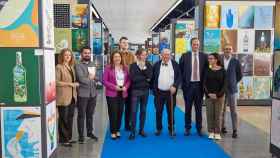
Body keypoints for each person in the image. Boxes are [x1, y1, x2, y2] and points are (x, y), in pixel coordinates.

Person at [179, 37, 208, 136]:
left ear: (199, 45)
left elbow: (206, 72)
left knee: (199, 109)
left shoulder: (204, 56)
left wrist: (205, 86)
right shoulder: (185, 56)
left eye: (197, 44)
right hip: (188, 86)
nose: (196, 46)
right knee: (187, 109)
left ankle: (199, 128)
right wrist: (182, 85)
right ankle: (187, 128)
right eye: (194, 44)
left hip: (199, 87)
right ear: (191, 45)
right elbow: (180, 71)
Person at [152, 48, 181, 137]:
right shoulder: (156, 64)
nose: (166, 56)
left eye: (168, 54)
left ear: (170, 55)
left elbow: (179, 77)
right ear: (161, 55)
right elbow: (153, 78)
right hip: (159, 93)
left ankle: (171, 129)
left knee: (171, 112)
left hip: (170, 93)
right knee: (158, 111)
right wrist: (154, 90)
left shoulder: (175, 64)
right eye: (164, 54)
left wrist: (175, 86)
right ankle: (159, 128)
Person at [103, 51, 130, 140]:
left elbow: (129, 80)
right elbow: (104, 81)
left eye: (118, 56)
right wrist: (114, 87)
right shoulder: (108, 68)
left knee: (120, 112)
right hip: (111, 93)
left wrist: (126, 87)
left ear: (121, 58)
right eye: (115, 57)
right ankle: (113, 131)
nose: (117, 58)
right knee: (113, 113)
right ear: (112, 58)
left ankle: (118, 129)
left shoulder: (125, 68)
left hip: (122, 93)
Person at [75, 46, 98, 143]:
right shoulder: (78, 65)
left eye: (89, 53)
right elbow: (81, 79)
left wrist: (95, 79)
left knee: (90, 115)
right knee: (81, 115)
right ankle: (81, 135)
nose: (87, 54)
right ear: (81, 54)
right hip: (83, 94)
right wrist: (91, 79)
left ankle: (89, 132)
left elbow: (95, 77)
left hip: (93, 94)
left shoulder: (92, 64)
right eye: (85, 53)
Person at [55, 48, 78, 147]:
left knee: (70, 118)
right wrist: (70, 84)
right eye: (66, 55)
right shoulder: (59, 67)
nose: (68, 57)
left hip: (72, 97)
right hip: (63, 97)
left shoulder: (71, 67)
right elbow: (56, 82)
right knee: (63, 119)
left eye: (69, 55)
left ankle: (68, 138)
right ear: (62, 56)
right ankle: (63, 139)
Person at [128, 48, 153, 140]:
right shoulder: (133, 66)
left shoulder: (148, 65)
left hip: (145, 91)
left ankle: (141, 130)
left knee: (143, 111)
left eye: (145, 54)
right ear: (138, 55)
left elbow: (150, 77)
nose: (144, 56)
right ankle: (132, 132)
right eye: (143, 54)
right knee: (134, 112)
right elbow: (133, 78)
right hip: (135, 91)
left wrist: (143, 70)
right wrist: (144, 78)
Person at [221, 44, 242, 138]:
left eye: (229, 49)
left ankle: (235, 130)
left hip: (232, 89)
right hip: (221, 89)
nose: (228, 50)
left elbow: (239, 75)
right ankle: (222, 127)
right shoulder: (219, 60)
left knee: (234, 111)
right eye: (226, 49)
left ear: (232, 50)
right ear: (223, 50)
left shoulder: (235, 61)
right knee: (222, 110)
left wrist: (233, 82)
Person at [204, 53, 227, 140]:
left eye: (211, 58)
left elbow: (225, 85)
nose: (209, 60)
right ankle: (211, 131)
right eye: (209, 59)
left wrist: (218, 95)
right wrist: (208, 94)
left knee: (218, 115)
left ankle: (217, 132)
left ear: (216, 60)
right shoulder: (207, 70)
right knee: (209, 114)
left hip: (219, 97)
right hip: (209, 96)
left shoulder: (223, 71)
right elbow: (204, 84)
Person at [119, 36, 135, 131]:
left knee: (129, 106)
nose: (125, 44)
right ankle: (117, 125)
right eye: (123, 42)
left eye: (126, 43)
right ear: (120, 43)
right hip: (119, 84)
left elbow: (133, 68)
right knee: (119, 106)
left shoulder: (132, 55)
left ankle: (127, 124)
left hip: (129, 84)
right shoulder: (116, 54)